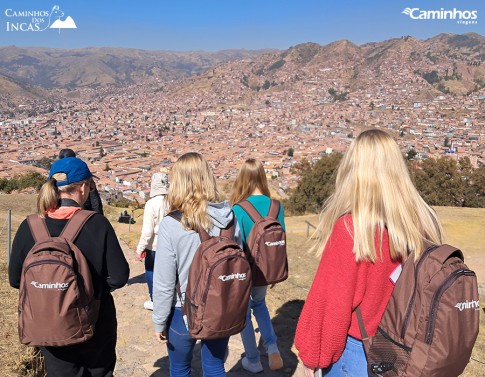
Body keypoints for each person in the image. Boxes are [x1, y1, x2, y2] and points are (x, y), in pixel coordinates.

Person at [294, 129, 443, 376]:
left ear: (354, 171)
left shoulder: (353, 230)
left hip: (358, 353)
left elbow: (331, 304)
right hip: (407, 349)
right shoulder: (423, 223)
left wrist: (312, 354)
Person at [9, 157, 130, 377]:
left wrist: (50, 291)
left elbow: (15, 279)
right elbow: (120, 276)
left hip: (50, 324)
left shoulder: (30, 226)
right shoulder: (97, 224)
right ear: (84, 187)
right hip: (95, 322)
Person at [152, 152, 240, 377]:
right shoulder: (229, 219)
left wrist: (159, 321)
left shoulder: (172, 225)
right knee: (215, 367)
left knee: (180, 369)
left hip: (183, 309)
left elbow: (164, 282)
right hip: (221, 306)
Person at [230, 158, 285, 373]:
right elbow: (281, 240)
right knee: (260, 304)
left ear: (242, 178)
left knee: (244, 313)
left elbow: (236, 244)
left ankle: (253, 360)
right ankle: (272, 347)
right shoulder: (276, 205)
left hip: (246, 269)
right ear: (262, 177)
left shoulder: (238, 209)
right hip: (268, 268)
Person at [135, 170, 170, 310]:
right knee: (169, 273)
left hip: (154, 245)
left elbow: (147, 231)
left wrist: (140, 249)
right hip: (170, 244)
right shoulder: (173, 201)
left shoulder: (151, 204)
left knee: (151, 270)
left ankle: (154, 300)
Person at [58, 148, 104, 215]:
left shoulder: (56, 176)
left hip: (59, 214)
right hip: (85, 214)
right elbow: (95, 201)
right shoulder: (83, 172)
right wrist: (98, 217)